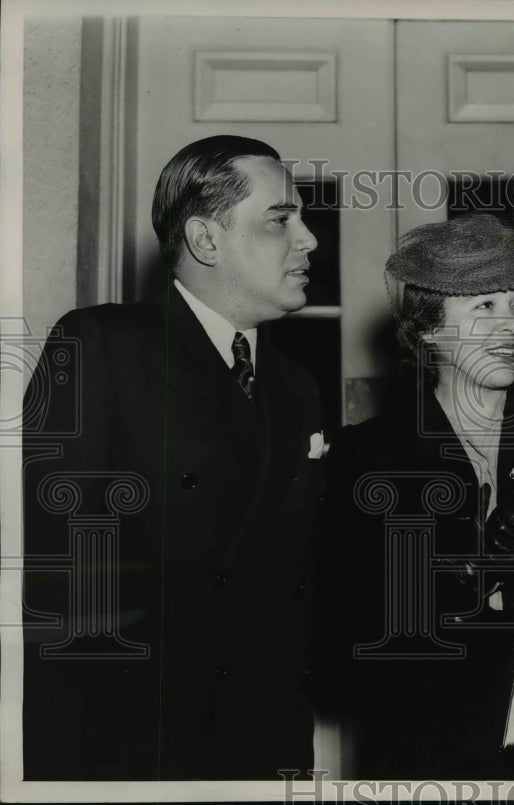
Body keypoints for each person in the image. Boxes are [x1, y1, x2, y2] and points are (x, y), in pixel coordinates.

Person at [22, 135, 324, 780]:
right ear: (206, 240)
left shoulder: (297, 386)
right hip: (135, 742)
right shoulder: (99, 346)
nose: (308, 240)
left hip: (264, 743)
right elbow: (58, 577)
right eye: (281, 218)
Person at [314, 214, 514, 780]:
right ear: (430, 330)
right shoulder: (368, 458)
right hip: (424, 749)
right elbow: (338, 640)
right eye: (483, 308)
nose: (511, 326)